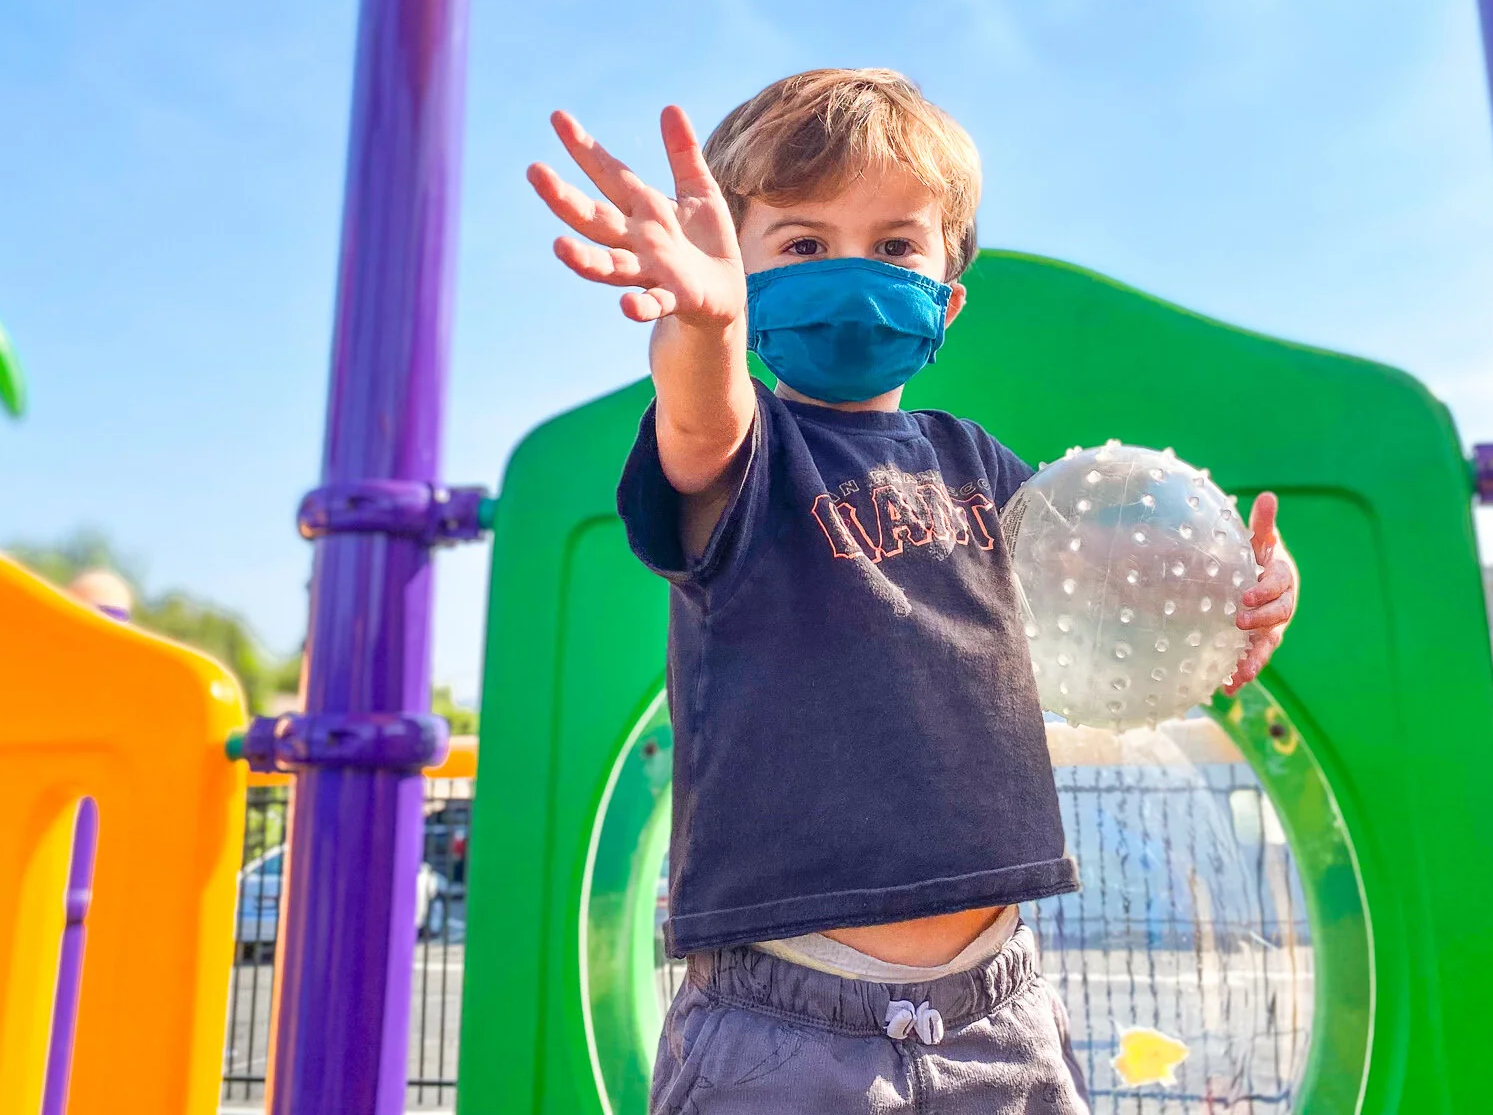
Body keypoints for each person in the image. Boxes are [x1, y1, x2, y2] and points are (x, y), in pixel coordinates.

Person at [527, 69, 1298, 1113]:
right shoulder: (754, 456)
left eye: (894, 246)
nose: (852, 273)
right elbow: (702, 420)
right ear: (737, 276)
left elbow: (1113, 592)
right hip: (783, 1025)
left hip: (1000, 1010)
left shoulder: (980, 467)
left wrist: (1245, 594)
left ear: (947, 296)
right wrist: (703, 332)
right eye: (803, 244)